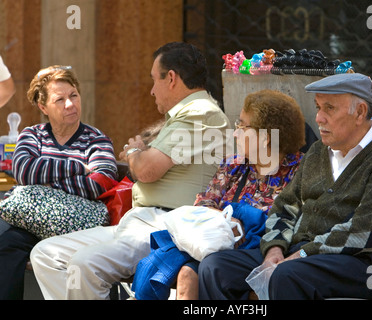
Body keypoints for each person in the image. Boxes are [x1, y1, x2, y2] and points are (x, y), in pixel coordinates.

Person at [30, 42, 231, 300]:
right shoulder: (187, 115)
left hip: (166, 226)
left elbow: (146, 170)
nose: (151, 91)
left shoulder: (201, 113)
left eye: (153, 80)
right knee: (45, 253)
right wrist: (141, 154)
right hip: (140, 221)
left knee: (84, 265)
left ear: (171, 78)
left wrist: (136, 152)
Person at [198, 73, 372, 300]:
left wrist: (303, 253)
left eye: (329, 109)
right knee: (215, 268)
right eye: (317, 107)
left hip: (366, 269)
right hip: (302, 256)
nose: (319, 118)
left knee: (287, 274)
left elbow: (368, 232)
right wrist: (274, 248)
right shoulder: (317, 152)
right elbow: (285, 206)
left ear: (360, 112)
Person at [132, 89, 306, 300]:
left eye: (242, 126)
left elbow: (297, 226)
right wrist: (226, 220)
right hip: (217, 247)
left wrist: (246, 226)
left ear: (265, 139)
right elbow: (204, 203)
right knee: (187, 274)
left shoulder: (301, 171)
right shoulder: (234, 165)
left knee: (218, 272)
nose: (235, 133)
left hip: (266, 253)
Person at [0, 65, 117, 300]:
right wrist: (76, 167)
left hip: (78, 228)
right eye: (60, 99)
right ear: (43, 107)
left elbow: (100, 182)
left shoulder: (96, 139)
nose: (70, 104)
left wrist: (43, 185)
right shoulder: (32, 135)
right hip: (33, 224)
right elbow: (24, 171)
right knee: (6, 244)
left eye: (74, 95)